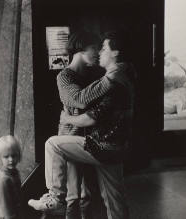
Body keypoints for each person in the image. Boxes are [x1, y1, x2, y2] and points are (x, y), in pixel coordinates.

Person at [28, 31, 135, 219]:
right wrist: (112, 76)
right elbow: (79, 99)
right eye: (96, 47)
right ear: (81, 48)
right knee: (74, 197)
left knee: (92, 196)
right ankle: (54, 199)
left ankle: (55, 199)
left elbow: (95, 114)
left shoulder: (103, 75)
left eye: (103, 48)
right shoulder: (66, 76)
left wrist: (112, 75)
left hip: (96, 141)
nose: (99, 52)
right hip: (76, 138)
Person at [0, 135, 22, 219]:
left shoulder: (14, 172)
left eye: (14, 155)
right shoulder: (3, 180)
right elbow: (5, 205)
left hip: (13, 210)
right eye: (6, 157)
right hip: (3, 215)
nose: (11, 159)